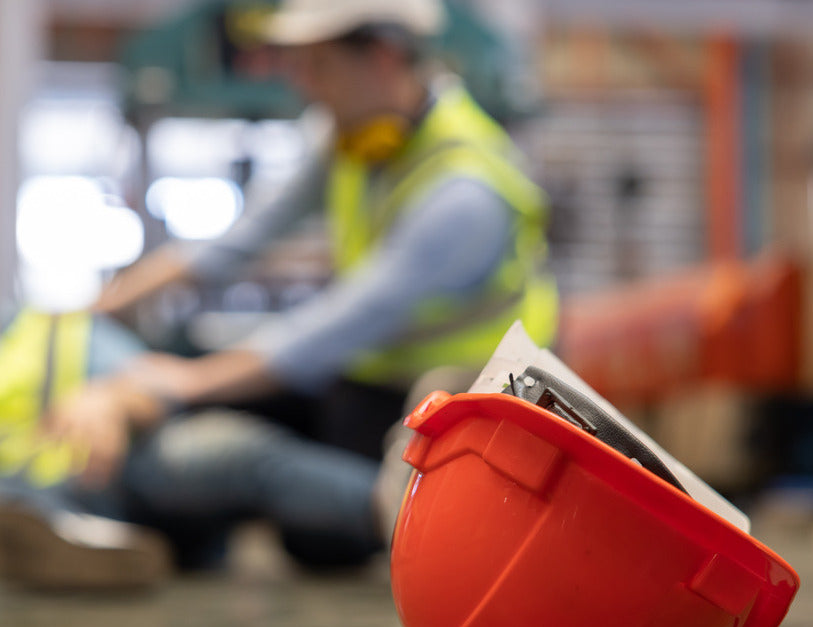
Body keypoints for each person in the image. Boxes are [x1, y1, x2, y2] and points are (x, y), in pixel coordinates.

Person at [81, 0, 559, 461]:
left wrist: (190, 382)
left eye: (319, 65)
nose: (305, 86)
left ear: (384, 58)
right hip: (371, 380)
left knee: (295, 484)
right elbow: (243, 238)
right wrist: (93, 310)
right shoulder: (347, 137)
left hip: (466, 402)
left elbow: (344, 321)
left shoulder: (465, 191)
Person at [0, 199, 386, 585]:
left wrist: (110, 398)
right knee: (10, 513)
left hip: (119, 486)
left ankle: (398, 509)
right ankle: (60, 540)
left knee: (222, 449)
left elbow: (159, 388)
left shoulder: (53, 330)